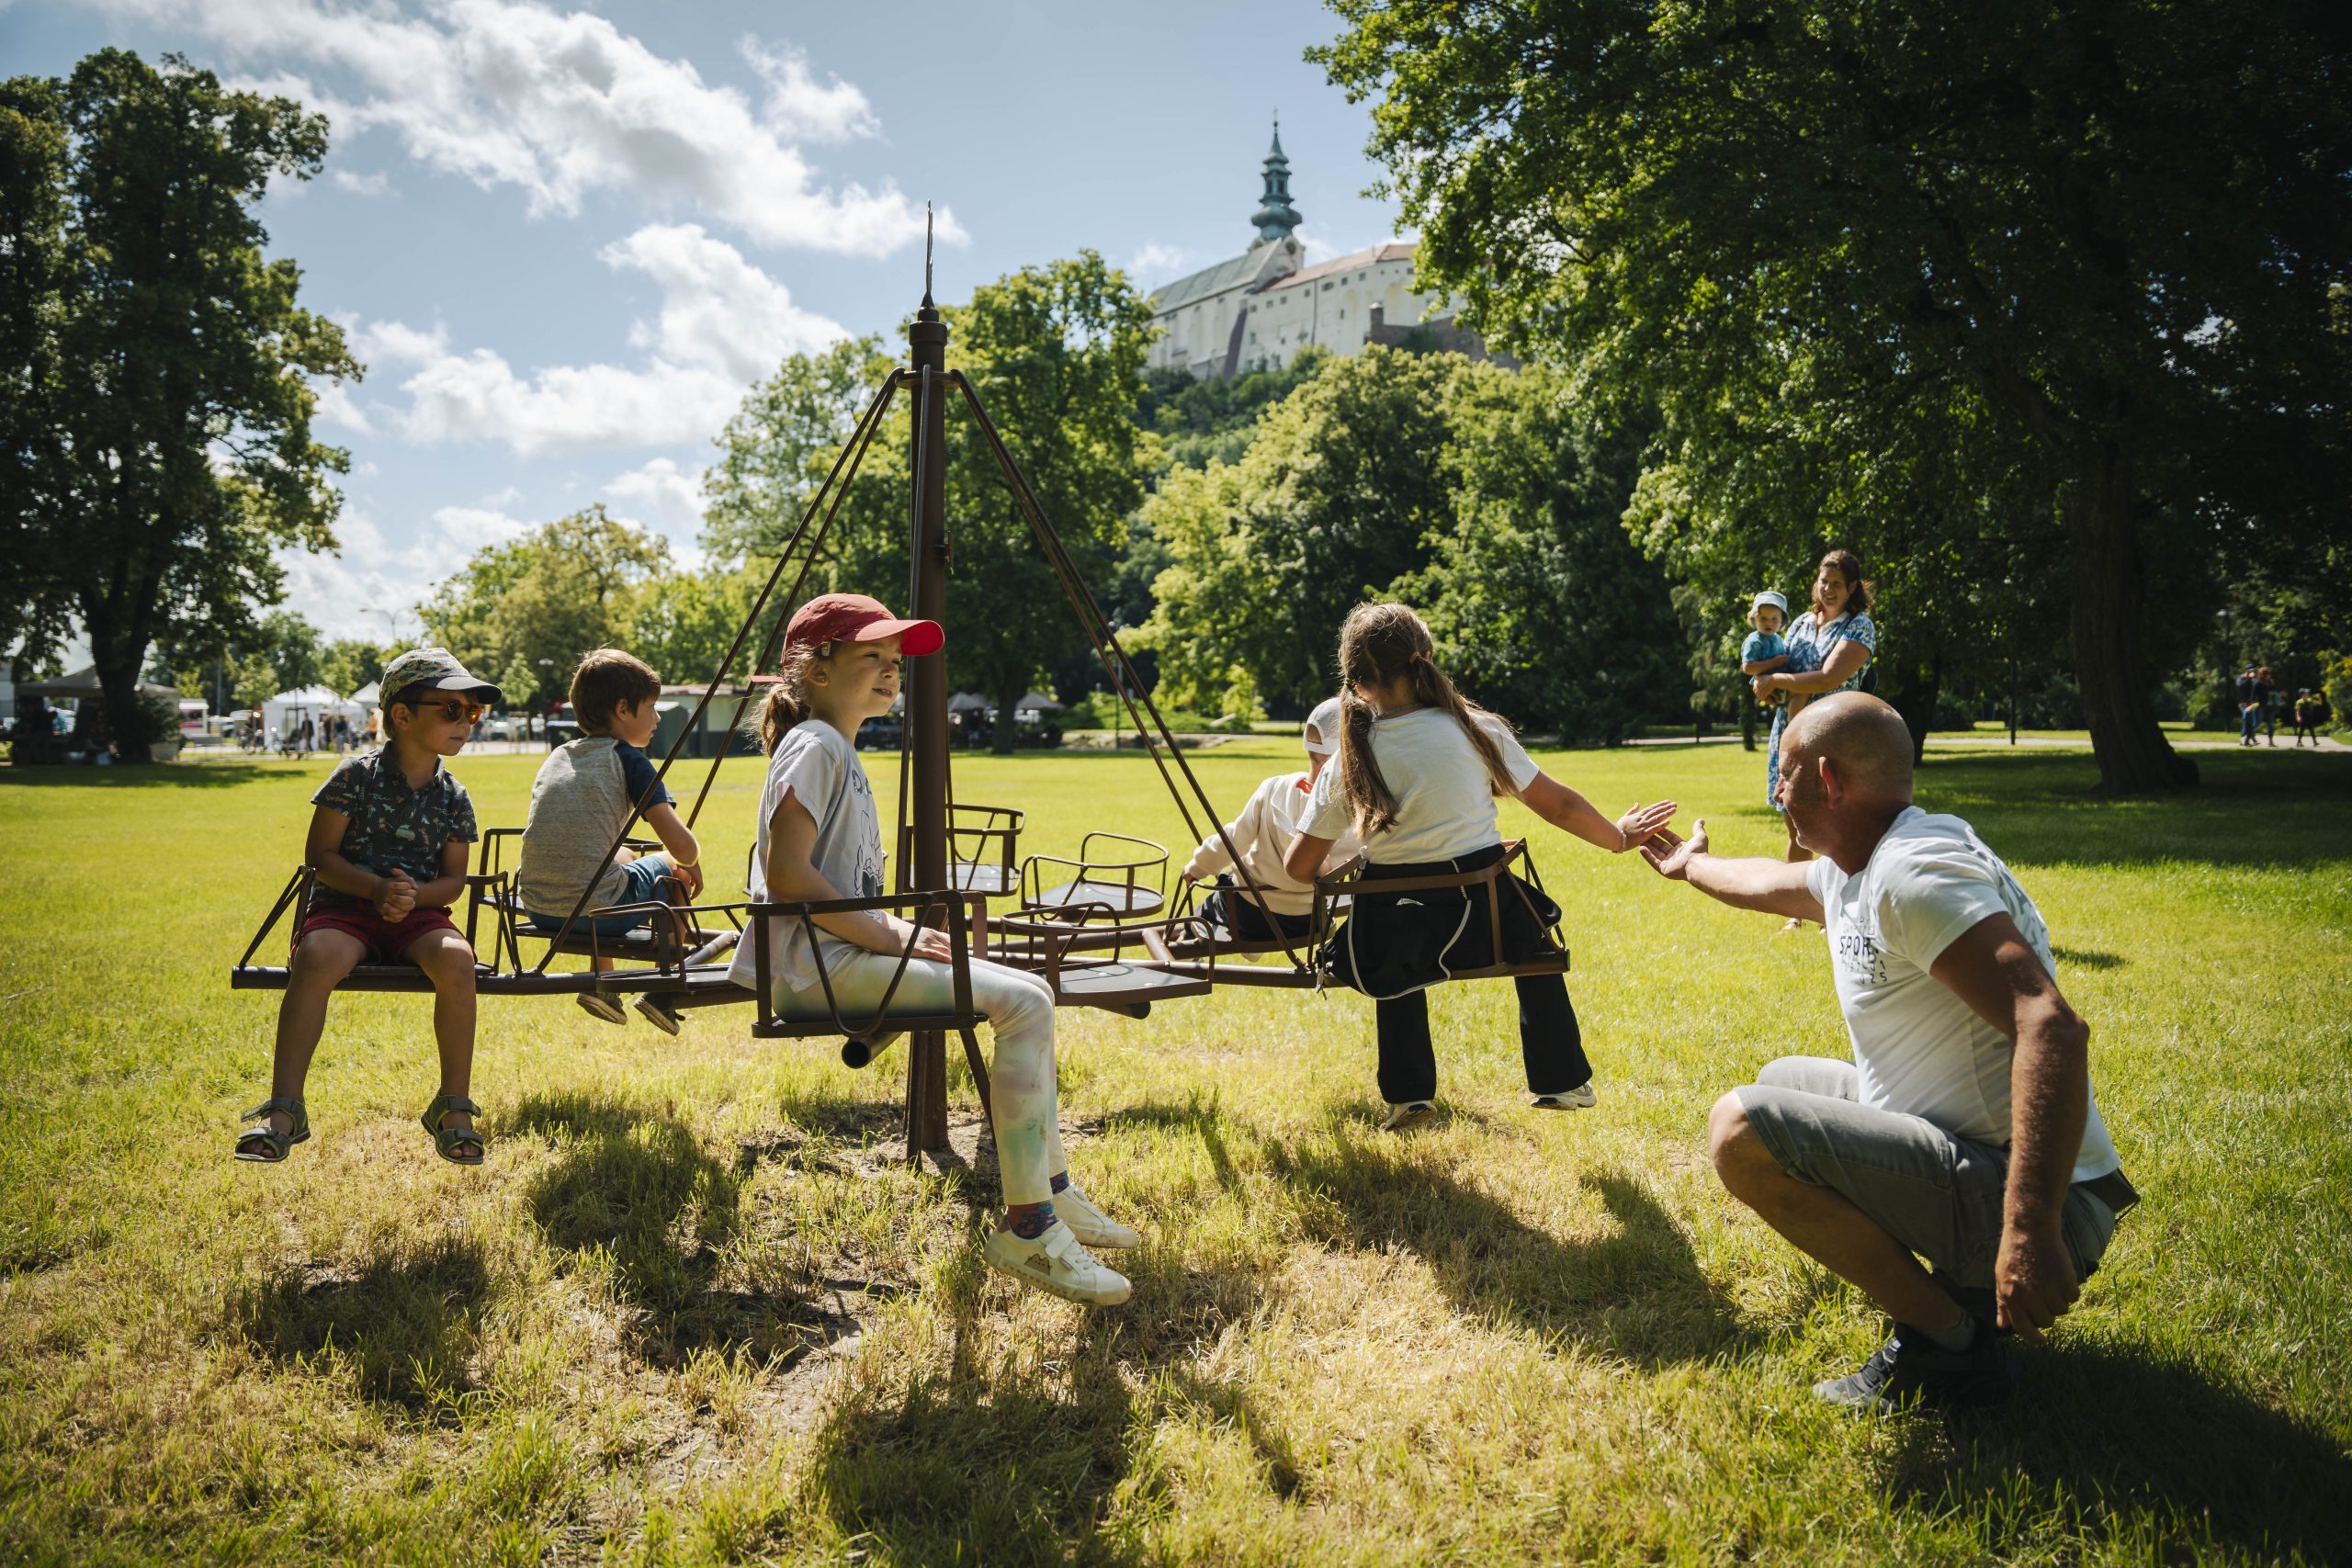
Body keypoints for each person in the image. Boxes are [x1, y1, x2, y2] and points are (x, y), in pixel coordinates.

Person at [1640, 693, 2136, 1412]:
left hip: (2047, 1202)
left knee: (1740, 1130)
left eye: (1784, 773)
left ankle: (1951, 1347)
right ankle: (1957, 1304)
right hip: (1980, 1156)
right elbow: (1764, 881)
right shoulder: (1859, 860)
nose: (1776, 791)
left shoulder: (1910, 875)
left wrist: (2029, 1229)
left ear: (1830, 778)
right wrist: (1692, 865)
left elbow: (2051, 1026)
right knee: (1782, 1082)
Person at [731, 592, 1141, 1306]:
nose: (893, 673)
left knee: (1032, 996)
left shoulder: (836, 745)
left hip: (836, 958)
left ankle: (1053, 1191)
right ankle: (1029, 1227)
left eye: (895, 661)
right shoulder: (817, 744)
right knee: (1019, 1002)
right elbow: (788, 874)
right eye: (872, 658)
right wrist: (895, 933)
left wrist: (897, 934)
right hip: (810, 970)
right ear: (815, 669)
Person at [1282, 604, 1678, 1132]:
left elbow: (1300, 866)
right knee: (1537, 938)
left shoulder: (1346, 759)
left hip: (1390, 939)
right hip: (1487, 924)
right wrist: (1617, 837)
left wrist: (1363, 853)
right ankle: (1559, 1080)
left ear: (1356, 683)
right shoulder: (1475, 728)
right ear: (1425, 660)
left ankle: (1409, 1095)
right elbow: (1557, 805)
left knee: (1394, 938)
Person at [234, 649, 500, 1167]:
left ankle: (453, 1107)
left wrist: (411, 897)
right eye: (451, 710)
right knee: (316, 957)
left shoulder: (454, 797)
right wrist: (376, 890)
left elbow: (452, 882)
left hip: (420, 915)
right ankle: (285, 1109)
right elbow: (320, 857)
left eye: (473, 713)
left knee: (457, 960)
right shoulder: (354, 777)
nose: (465, 723)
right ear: (402, 717)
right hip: (346, 907)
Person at [517, 649, 706, 1034]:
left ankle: (603, 985)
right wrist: (687, 861)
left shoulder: (559, 756)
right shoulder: (629, 760)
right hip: (597, 911)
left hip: (538, 906)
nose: (656, 718)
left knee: (624, 856)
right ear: (623, 709)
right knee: (670, 872)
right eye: (651, 707)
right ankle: (665, 992)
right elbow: (682, 848)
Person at [1753, 550, 1878, 930]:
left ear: (1852, 587)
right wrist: (1764, 684)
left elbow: (1828, 677)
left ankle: (1846, 909)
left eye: (1836, 583)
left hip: (1836, 734)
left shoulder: (1859, 627)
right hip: (1789, 734)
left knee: (1837, 822)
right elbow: (1781, 667)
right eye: (1823, 581)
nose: (1827, 589)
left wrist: (1776, 681)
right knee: (1796, 821)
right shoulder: (1802, 623)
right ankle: (1798, 912)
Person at [1179, 694, 1360, 942]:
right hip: (1308, 920)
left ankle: (1181, 942)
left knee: (1200, 917)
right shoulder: (1358, 812)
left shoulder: (1275, 787)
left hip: (1248, 910)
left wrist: (1197, 868)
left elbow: (1233, 839)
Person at [1740, 591, 1792, 709]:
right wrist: (1773, 662)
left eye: (1774, 619)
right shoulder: (1754, 641)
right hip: (1766, 684)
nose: (1769, 623)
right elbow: (1747, 668)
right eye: (1763, 618)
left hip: (1783, 682)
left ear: (1782, 622)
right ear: (1754, 619)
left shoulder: (1777, 638)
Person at [2235, 665, 2265, 747]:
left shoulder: (2253, 680)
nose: (2252, 672)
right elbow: (2241, 686)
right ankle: (2244, 738)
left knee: (2253, 722)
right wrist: (2249, 678)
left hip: (2251, 704)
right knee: (2247, 721)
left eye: (2253, 671)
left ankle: (2250, 738)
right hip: (2242, 704)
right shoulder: (2240, 678)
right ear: (2246, 670)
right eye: (2250, 671)